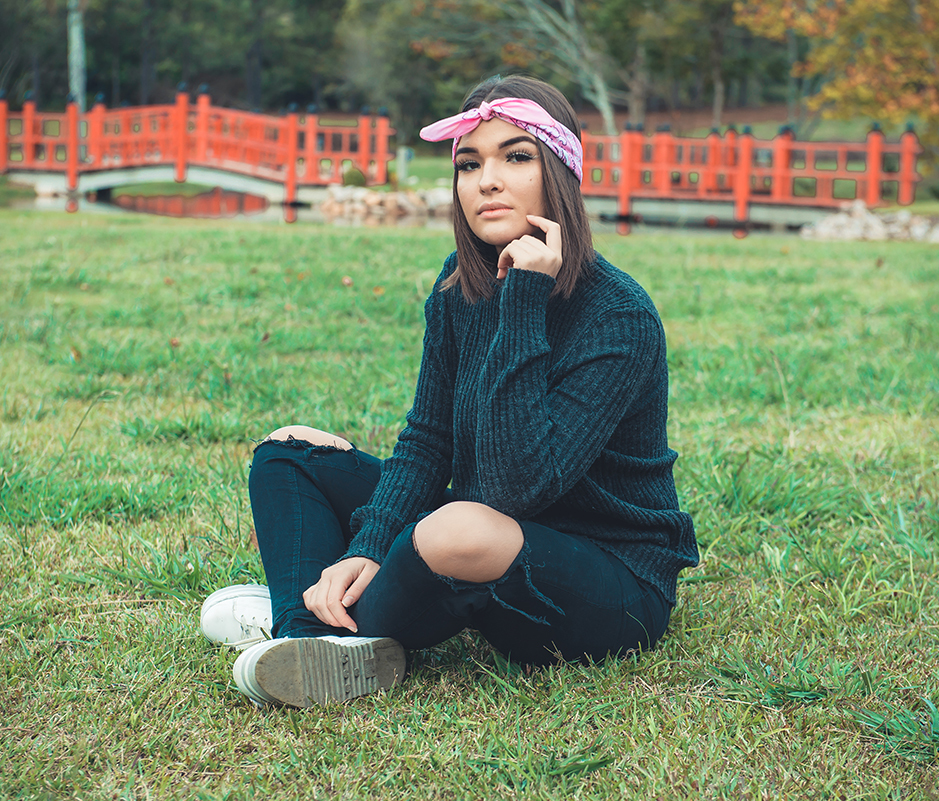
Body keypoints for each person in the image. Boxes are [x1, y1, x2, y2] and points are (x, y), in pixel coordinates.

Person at [199, 75, 699, 709]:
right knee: (292, 451)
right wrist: (371, 544)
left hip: (608, 578)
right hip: (481, 522)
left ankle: (296, 617)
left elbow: (515, 489)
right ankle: (306, 637)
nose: (486, 180)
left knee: (456, 528)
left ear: (561, 174)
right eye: (469, 163)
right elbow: (429, 436)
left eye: (515, 157)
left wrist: (524, 302)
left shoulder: (619, 316)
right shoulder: (459, 284)